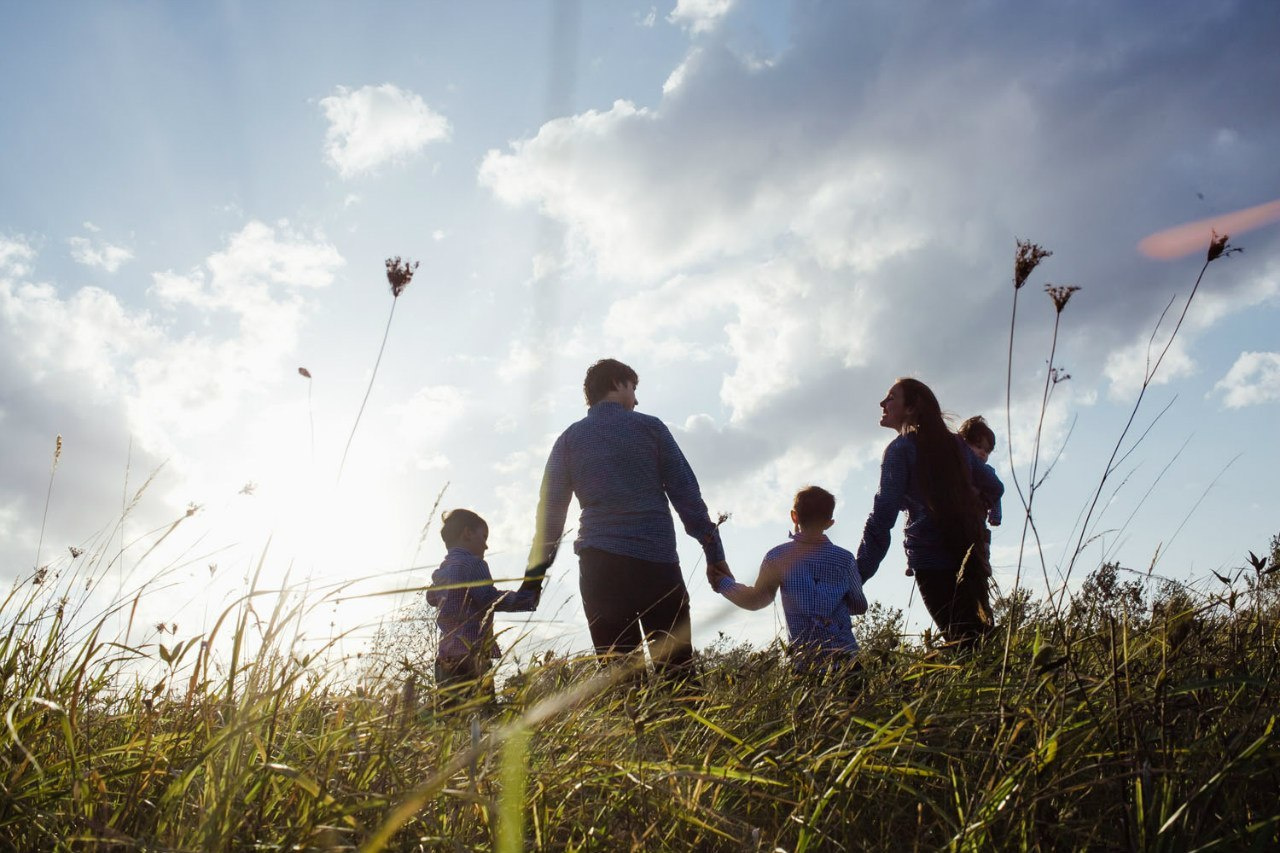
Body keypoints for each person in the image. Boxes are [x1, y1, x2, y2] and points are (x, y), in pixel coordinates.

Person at [528, 358, 730, 683]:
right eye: (634, 388)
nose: (636, 399)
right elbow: (687, 496)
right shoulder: (650, 428)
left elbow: (549, 515)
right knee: (677, 673)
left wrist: (532, 581)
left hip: (600, 568)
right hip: (656, 566)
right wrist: (714, 555)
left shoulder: (569, 440)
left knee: (620, 678)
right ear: (618, 383)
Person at [855, 378, 1003, 646]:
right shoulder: (956, 445)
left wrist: (857, 576)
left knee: (962, 644)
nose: (882, 403)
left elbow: (882, 518)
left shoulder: (899, 450)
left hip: (931, 561)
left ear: (911, 408)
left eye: (890, 397)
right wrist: (976, 508)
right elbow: (994, 485)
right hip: (969, 554)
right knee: (980, 641)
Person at [711, 486, 866, 686]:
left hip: (805, 665)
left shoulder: (778, 557)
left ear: (794, 516)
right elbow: (860, 605)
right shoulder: (845, 559)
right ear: (829, 523)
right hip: (848, 663)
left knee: (809, 717)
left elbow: (756, 600)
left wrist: (723, 583)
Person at [427, 509, 544, 709]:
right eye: (484, 537)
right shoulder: (474, 564)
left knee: (451, 718)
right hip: (472, 656)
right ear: (467, 534)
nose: (487, 545)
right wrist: (525, 599)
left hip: (445, 659)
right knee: (481, 713)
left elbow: (431, 598)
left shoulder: (441, 571)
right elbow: (489, 599)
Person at [957, 415, 1003, 529]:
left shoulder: (988, 471)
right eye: (978, 447)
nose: (983, 453)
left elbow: (996, 496)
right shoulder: (959, 466)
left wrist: (995, 515)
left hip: (977, 519)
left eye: (987, 451)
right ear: (965, 443)